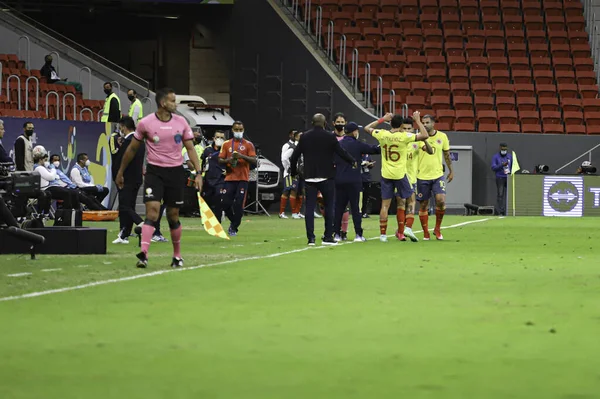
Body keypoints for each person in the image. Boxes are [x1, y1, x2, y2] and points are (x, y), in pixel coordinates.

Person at [116, 87, 203, 268]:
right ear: (163, 103)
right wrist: (121, 171)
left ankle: (177, 256)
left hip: (176, 173)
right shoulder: (146, 123)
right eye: (173, 101)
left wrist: (198, 173)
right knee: (152, 212)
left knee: (173, 215)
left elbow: (190, 149)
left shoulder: (182, 122)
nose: (175, 104)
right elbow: (132, 149)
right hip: (154, 172)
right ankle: (144, 254)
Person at [290, 113, 355, 246]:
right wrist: (352, 160)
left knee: (309, 208)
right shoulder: (330, 136)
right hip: (327, 176)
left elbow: (295, 156)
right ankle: (327, 237)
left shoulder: (305, 137)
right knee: (330, 206)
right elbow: (340, 152)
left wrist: (293, 172)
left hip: (309, 177)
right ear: (325, 123)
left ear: (312, 123)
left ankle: (311, 239)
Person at [363, 111, 429, 242]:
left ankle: (382, 235)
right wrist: (418, 120)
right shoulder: (404, 136)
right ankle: (408, 228)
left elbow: (366, 128)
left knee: (385, 205)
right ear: (401, 126)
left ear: (390, 123)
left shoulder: (382, 134)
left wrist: (382, 119)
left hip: (386, 174)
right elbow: (425, 135)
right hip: (400, 174)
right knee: (411, 200)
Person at [333, 122, 380, 242]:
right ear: (354, 132)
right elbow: (374, 149)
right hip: (354, 181)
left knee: (339, 208)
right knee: (356, 209)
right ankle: (358, 234)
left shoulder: (338, 144)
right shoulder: (357, 144)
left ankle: (336, 234)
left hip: (339, 180)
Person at [416, 114, 454, 240]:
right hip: (422, 175)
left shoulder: (442, 136)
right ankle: (426, 232)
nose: (425, 125)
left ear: (433, 123)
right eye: (423, 122)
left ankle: (437, 228)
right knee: (423, 205)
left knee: (441, 200)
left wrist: (451, 170)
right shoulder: (418, 137)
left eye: (427, 122)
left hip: (438, 175)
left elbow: (447, 155)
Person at [218, 121, 257, 236]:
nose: (238, 132)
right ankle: (234, 221)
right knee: (225, 203)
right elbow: (220, 160)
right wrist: (228, 160)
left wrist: (241, 156)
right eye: (236, 130)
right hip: (229, 177)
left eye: (240, 130)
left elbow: (254, 160)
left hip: (242, 178)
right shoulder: (226, 144)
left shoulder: (248, 144)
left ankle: (233, 228)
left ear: (243, 130)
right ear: (232, 130)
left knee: (239, 203)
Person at [112, 117, 145, 244]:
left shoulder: (129, 141)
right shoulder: (139, 141)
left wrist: (118, 175)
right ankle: (124, 234)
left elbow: (122, 160)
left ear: (124, 127)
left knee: (125, 205)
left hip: (126, 178)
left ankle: (141, 222)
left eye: (120, 127)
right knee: (129, 205)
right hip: (136, 178)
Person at [401, 117, 433, 241]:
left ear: (413, 129)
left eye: (409, 128)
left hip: (411, 177)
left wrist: (425, 140)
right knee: (404, 203)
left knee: (408, 202)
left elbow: (430, 151)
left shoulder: (416, 141)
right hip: (398, 176)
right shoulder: (398, 140)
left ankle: (404, 229)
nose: (407, 131)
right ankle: (404, 229)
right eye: (405, 128)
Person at [32, 146, 80, 211]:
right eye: (45, 160)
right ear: (40, 160)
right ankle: (67, 213)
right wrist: (53, 168)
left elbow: (53, 176)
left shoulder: (45, 167)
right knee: (66, 193)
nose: (46, 162)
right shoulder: (38, 168)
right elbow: (51, 177)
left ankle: (77, 212)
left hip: (53, 186)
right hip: (47, 188)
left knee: (74, 192)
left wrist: (51, 169)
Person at [331, 112, 350, 238]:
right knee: (328, 203)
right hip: (331, 173)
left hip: (345, 173)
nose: (340, 124)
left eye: (342, 122)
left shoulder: (348, 139)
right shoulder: (329, 137)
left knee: (344, 204)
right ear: (333, 123)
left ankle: (343, 231)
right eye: (338, 122)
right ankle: (332, 228)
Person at [201, 130, 227, 222]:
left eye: (222, 138)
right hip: (208, 180)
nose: (219, 139)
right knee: (207, 200)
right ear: (213, 138)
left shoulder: (227, 151)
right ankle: (207, 221)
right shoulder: (207, 150)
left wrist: (229, 171)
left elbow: (233, 164)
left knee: (218, 198)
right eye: (217, 137)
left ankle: (218, 220)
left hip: (221, 180)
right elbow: (203, 164)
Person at [280, 130, 304, 219]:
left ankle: (297, 212)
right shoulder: (291, 147)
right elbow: (284, 158)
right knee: (290, 190)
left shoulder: (302, 147)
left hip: (301, 173)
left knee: (300, 192)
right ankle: (286, 212)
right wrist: (289, 168)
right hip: (291, 173)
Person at [491, 143, 515, 216]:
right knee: (500, 194)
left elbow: (513, 166)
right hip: (500, 177)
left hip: (508, 177)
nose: (504, 150)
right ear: (500, 148)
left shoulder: (510, 156)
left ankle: (510, 210)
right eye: (502, 149)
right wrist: (502, 165)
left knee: (510, 195)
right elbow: (493, 167)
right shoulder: (495, 157)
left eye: (505, 149)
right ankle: (501, 211)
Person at [360, 152, 375, 218]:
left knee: (366, 196)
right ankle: (358, 211)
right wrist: (362, 164)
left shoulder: (368, 155)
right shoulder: (356, 154)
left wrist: (370, 164)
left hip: (366, 178)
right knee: (358, 196)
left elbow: (371, 165)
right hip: (358, 177)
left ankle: (364, 212)